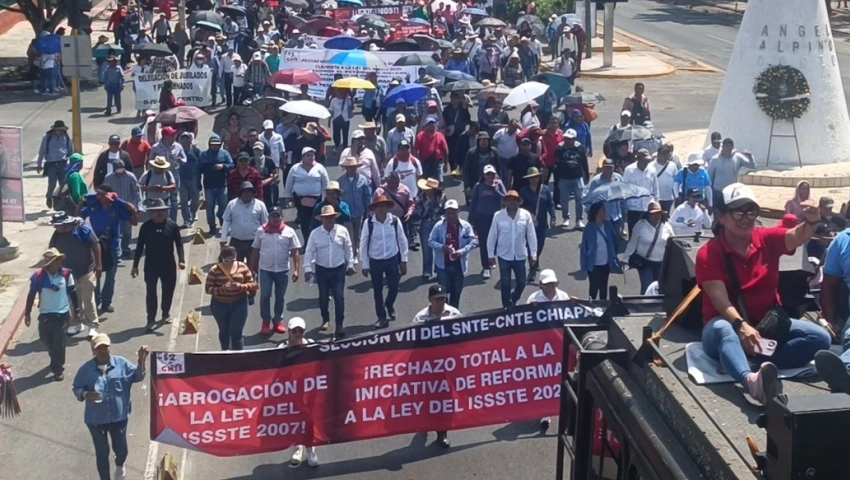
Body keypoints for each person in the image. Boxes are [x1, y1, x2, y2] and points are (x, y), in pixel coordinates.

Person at [697, 182, 830, 406]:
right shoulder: (708, 253)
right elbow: (719, 299)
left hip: (766, 327)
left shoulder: (766, 239)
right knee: (722, 328)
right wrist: (741, 325)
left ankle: (756, 365)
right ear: (721, 216)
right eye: (738, 212)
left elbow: (797, 236)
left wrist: (813, 220)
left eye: (751, 212)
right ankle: (750, 382)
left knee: (820, 338)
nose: (745, 218)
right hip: (727, 328)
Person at [72, 334, 149, 480]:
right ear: (93, 351)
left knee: (122, 451)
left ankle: (120, 467)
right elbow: (77, 387)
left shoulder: (121, 363)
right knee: (102, 453)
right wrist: (85, 394)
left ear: (109, 348)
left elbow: (138, 376)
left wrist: (141, 360)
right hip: (95, 420)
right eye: (98, 348)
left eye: (105, 347)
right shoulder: (85, 370)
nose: (102, 351)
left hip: (118, 417)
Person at [411, 284, 462, 448]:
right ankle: (427, 422)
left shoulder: (454, 313)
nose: (440, 302)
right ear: (429, 300)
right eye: (437, 299)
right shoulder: (420, 318)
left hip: (447, 365)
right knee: (429, 397)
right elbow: (412, 340)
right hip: (429, 365)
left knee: (444, 399)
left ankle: (442, 433)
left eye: (442, 299)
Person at [80, 186, 138, 314]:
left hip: (112, 247)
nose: (99, 197)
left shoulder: (116, 207)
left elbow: (134, 222)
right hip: (96, 247)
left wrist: (133, 210)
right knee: (96, 275)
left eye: (101, 195)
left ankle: (106, 302)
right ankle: (96, 301)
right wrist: (80, 204)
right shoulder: (93, 206)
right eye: (98, 194)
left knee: (110, 276)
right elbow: (78, 217)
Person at [24, 248, 81, 380]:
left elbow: (72, 293)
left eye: (60, 260)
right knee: (46, 340)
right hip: (45, 316)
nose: (60, 263)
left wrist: (77, 310)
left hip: (62, 315)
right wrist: (27, 313)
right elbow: (31, 295)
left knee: (59, 343)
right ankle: (55, 357)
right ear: (49, 263)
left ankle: (57, 369)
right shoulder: (38, 277)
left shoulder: (66, 274)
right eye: (57, 260)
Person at [131, 198, 185, 331]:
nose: (159, 213)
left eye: (161, 211)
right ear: (151, 213)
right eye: (156, 211)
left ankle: (165, 313)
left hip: (168, 265)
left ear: (165, 212)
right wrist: (135, 265)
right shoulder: (145, 227)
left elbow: (179, 244)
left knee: (168, 290)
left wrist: (181, 260)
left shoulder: (172, 226)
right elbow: (139, 247)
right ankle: (150, 319)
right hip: (151, 265)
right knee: (151, 292)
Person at [304, 205, 356, 337]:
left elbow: (348, 248)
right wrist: (307, 268)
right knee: (323, 297)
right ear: (321, 219)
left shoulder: (342, 231)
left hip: (338, 269)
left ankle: (339, 324)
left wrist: (350, 264)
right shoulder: (315, 234)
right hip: (322, 270)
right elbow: (309, 251)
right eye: (326, 218)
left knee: (339, 297)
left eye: (332, 217)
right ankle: (325, 319)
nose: (329, 220)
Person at [250, 206, 301, 336]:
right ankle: (266, 321)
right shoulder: (261, 231)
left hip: (282, 270)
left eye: (277, 216)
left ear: (281, 217)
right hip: (266, 270)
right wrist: (252, 269)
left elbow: (295, 251)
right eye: (272, 216)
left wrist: (296, 270)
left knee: (280, 296)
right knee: (265, 296)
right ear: (269, 217)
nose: (275, 218)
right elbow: (255, 250)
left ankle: (278, 321)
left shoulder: (289, 231)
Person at [49, 213, 102, 337]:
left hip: (87, 271)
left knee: (88, 299)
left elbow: (96, 244)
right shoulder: (57, 234)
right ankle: (77, 323)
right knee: (74, 301)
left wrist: (99, 264)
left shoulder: (82, 230)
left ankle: (92, 326)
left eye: (57, 225)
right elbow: (51, 250)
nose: (55, 227)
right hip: (68, 274)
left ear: (65, 224)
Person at [361, 195, 409, 329]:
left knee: (394, 286)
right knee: (377, 290)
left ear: (387, 207)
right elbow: (363, 244)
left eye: (384, 206)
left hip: (392, 258)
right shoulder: (368, 223)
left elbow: (402, 240)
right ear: (375, 208)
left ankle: (389, 304)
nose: (381, 209)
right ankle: (381, 316)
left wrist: (403, 260)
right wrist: (364, 264)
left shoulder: (394, 221)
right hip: (375, 260)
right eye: (378, 206)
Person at [280, 317, 321, 466]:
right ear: (289, 332)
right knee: (294, 420)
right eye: (294, 331)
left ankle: (310, 448)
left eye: (301, 331)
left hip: (309, 391)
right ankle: (297, 447)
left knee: (309, 420)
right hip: (291, 392)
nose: (298, 334)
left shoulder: (312, 346)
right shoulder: (281, 349)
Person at [488, 190, 537, 308]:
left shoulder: (525, 215)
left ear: (518, 202)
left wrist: (533, 254)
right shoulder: (498, 216)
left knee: (521, 282)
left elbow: (531, 235)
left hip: (520, 255)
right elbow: (492, 236)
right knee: (505, 284)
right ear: (505, 202)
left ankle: (513, 298)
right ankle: (506, 307)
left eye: (514, 200)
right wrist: (490, 255)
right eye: (509, 200)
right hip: (503, 255)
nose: (512, 202)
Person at [205, 246, 257, 350]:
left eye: (232, 260)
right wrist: (222, 289)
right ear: (222, 259)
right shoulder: (215, 270)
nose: (229, 263)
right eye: (226, 260)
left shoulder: (242, 267)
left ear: (236, 258)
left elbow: (253, 285)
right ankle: (225, 353)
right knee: (224, 331)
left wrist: (241, 286)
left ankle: (238, 357)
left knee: (236, 333)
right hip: (220, 305)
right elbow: (208, 289)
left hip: (239, 303)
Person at [428, 199, 477, 308]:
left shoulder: (466, 226)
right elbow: (430, 241)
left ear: (458, 212)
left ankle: (453, 316)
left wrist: (461, 252)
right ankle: (442, 314)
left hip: (459, 265)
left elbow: (473, 241)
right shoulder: (439, 226)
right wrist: (442, 247)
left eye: (453, 213)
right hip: (443, 264)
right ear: (445, 213)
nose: (451, 215)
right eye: (448, 213)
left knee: (456, 293)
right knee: (443, 293)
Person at [623, 201, 674, 294]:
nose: (656, 216)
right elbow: (632, 243)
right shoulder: (640, 226)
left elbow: (673, 244)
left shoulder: (667, 227)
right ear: (648, 215)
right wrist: (626, 260)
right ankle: (644, 307)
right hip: (645, 263)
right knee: (647, 287)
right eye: (653, 214)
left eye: (658, 213)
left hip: (662, 264)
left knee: (660, 288)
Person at [285, 146, 330, 244]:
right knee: (304, 222)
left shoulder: (320, 168)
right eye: (308, 155)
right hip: (299, 199)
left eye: (312, 155)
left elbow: (326, 184)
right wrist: (288, 198)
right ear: (303, 157)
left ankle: (316, 241)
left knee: (315, 221)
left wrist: (326, 199)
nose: (311, 157)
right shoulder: (295, 168)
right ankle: (307, 241)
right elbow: (289, 184)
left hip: (316, 199)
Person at [519, 167, 556, 283]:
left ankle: (536, 258)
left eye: (535, 177)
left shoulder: (545, 190)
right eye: (531, 178)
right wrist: (529, 214)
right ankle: (532, 269)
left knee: (539, 245)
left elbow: (551, 204)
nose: (533, 180)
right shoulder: (524, 191)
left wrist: (553, 217)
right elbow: (520, 206)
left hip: (542, 223)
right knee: (531, 246)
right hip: (529, 223)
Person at [469, 164, 506, 279]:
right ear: (483, 175)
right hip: (482, 218)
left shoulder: (498, 185)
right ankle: (486, 266)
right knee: (484, 243)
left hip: (496, 218)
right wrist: (471, 219)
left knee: (496, 241)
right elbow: (473, 203)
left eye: (492, 174)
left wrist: (496, 191)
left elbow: (506, 199)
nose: (490, 176)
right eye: (488, 174)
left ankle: (492, 257)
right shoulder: (478, 186)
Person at [221, 181, 269, 266]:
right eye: (245, 191)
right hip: (236, 242)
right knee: (235, 267)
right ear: (241, 193)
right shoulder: (232, 204)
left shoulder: (260, 205)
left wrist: (266, 240)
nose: (248, 194)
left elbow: (265, 224)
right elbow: (227, 221)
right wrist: (223, 238)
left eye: (250, 191)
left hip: (254, 242)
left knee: (253, 267)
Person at [101, 160, 142, 259]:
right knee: (115, 231)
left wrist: (138, 206)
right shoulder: (108, 178)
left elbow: (137, 192)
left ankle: (125, 249)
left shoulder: (130, 176)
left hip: (127, 208)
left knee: (127, 230)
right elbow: (104, 192)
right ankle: (117, 252)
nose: (120, 173)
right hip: (113, 209)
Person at [554, 128, 590, 228]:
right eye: (565, 138)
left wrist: (586, 175)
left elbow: (584, 163)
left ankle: (579, 220)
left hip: (577, 177)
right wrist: (566, 164)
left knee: (580, 199)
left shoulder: (580, 148)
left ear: (574, 139)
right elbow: (557, 163)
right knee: (564, 199)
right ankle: (566, 218)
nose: (567, 140)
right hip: (564, 178)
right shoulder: (559, 148)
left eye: (569, 139)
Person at [199, 135, 234, 236]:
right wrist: (198, 183)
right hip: (208, 186)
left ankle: (222, 218)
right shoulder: (203, 155)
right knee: (210, 208)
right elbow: (198, 170)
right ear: (209, 145)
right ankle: (212, 227)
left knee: (224, 206)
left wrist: (223, 166)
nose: (215, 146)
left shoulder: (225, 154)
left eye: (217, 145)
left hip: (222, 185)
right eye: (213, 145)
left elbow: (231, 165)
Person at [707, 138, 757, 208]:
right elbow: (709, 177)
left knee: (730, 213)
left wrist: (750, 157)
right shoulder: (715, 159)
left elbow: (753, 166)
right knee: (718, 213)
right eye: (726, 146)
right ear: (722, 147)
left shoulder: (738, 157)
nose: (728, 149)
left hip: (732, 192)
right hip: (718, 192)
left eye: (730, 146)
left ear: (732, 147)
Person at [413, 178, 446, 279]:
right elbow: (417, 213)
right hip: (425, 224)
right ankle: (427, 270)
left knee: (439, 248)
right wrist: (416, 226)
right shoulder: (420, 198)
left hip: (438, 224)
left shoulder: (442, 197)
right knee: (427, 248)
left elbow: (445, 210)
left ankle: (438, 268)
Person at [38, 120, 74, 208]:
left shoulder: (66, 137)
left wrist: (72, 164)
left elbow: (70, 150)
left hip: (63, 164)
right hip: (51, 165)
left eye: (61, 130)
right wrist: (39, 164)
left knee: (63, 184)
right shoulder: (48, 137)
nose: (60, 131)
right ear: (54, 129)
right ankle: (49, 198)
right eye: (58, 129)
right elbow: (42, 150)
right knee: (52, 184)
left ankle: (61, 201)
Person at [622, 149, 659, 237]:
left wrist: (656, 204)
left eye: (648, 160)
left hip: (647, 207)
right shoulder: (629, 170)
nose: (647, 162)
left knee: (647, 233)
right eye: (645, 160)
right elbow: (624, 189)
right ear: (638, 159)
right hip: (633, 208)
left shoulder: (652, 170)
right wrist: (625, 208)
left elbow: (655, 189)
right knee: (634, 233)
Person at [414, 117, 449, 182]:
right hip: (424, 163)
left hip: (436, 163)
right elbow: (415, 149)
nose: (431, 126)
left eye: (433, 124)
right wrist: (417, 162)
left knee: (438, 181)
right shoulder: (420, 136)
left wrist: (446, 163)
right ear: (426, 126)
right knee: (423, 181)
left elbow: (445, 150)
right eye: (429, 124)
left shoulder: (439, 135)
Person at [651, 144, 680, 213]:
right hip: (655, 198)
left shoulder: (673, 165)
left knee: (666, 218)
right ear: (658, 155)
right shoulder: (651, 166)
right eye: (663, 154)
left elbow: (676, 180)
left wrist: (676, 195)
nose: (665, 157)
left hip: (668, 198)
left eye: (667, 155)